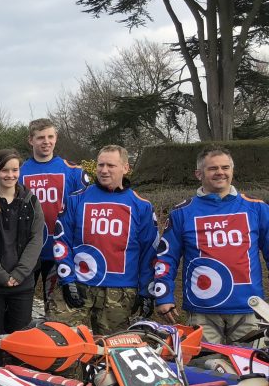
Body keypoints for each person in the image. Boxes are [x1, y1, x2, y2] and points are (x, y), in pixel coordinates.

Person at [152, 148, 269, 344]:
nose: (220, 172)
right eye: (212, 168)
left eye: (225, 167)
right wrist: (163, 296)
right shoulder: (182, 213)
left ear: (232, 170)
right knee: (205, 370)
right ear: (199, 174)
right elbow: (166, 258)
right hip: (202, 312)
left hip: (249, 310)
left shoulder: (257, 208)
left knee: (251, 371)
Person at [52, 145, 157, 333]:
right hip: (79, 283)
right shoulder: (76, 199)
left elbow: (149, 251)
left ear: (126, 168)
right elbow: (61, 241)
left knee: (111, 350)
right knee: (63, 343)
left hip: (120, 291)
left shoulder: (142, 206)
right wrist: (67, 280)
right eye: (100, 165)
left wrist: (146, 291)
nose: (104, 170)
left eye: (111, 165)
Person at [0, 150, 44, 364]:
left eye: (15, 170)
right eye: (5, 170)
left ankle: (17, 380)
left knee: (20, 335)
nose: (10, 175)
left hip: (22, 282)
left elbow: (36, 239)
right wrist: (1, 276)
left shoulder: (31, 200)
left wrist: (20, 273)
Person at [19, 118, 90, 313]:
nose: (46, 141)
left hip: (61, 250)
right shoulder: (19, 172)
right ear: (30, 140)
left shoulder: (73, 171)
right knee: (20, 305)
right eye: (40, 137)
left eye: (50, 136)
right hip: (27, 249)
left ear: (56, 138)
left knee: (56, 308)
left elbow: (83, 212)